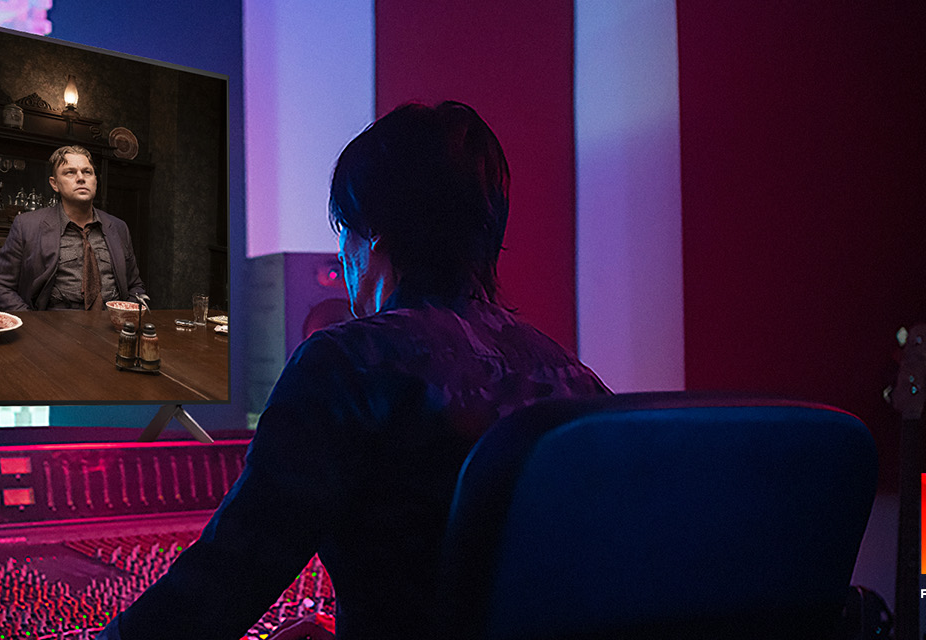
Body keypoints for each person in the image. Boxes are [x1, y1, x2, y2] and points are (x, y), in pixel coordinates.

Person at [97, 102, 611, 640]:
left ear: (374, 234)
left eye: (344, 231)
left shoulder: (347, 367)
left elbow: (222, 582)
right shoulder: (577, 382)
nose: (342, 258)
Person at [0, 145, 147, 311]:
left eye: (87, 172)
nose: (81, 178)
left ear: (95, 180)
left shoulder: (118, 228)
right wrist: (32, 321)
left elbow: (135, 286)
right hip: (52, 325)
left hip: (111, 323)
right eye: (70, 172)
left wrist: (126, 316)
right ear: (54, 184)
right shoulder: (26, 226)